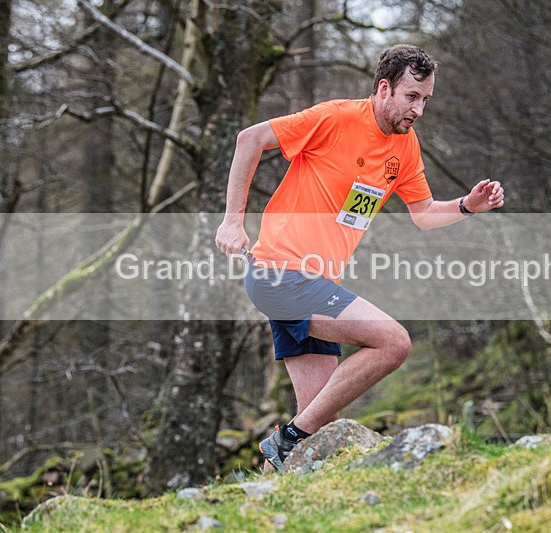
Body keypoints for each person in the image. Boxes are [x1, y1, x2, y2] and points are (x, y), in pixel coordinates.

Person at [215, 44, 504, 471]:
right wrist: (232, 221)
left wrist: (466, 206)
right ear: (384, 89)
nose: (419, 109)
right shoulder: (336, 117)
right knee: (394, 342)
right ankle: (286, 438)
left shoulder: (405, 147)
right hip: (281, 272)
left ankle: (275, 480)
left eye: (425, 99)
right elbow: (250, 139)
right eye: (411, 96)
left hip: (316, 283)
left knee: (322, 425)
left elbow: (423, 214)